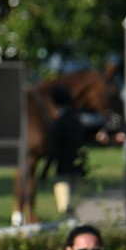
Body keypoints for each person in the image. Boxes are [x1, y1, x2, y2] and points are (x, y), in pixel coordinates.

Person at [49, 85, 85, 219]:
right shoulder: (77, 120)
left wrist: (45, 172)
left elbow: (54, 148)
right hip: (76, 166)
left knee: (65, 205)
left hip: (63, 167)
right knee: (73, 200)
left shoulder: (59, 123)